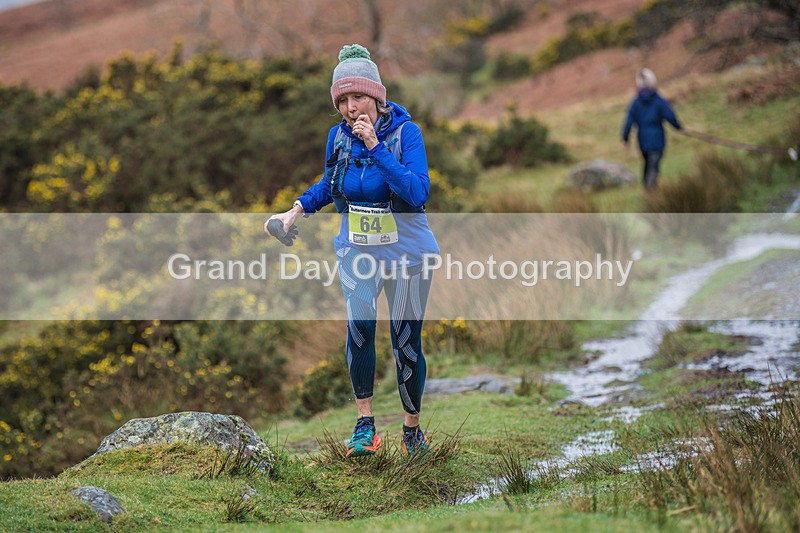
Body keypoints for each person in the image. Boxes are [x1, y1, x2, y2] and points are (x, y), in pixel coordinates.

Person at [266, 44, 439, 457]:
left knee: (405, 340)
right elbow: (330, 183)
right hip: (356, 251)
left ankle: (412, 432)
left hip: (408, 254)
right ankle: (365, 428)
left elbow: (417, 191)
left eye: (356, 97)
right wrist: (294, 212)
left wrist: (376, 147)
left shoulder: (404, 134)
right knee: (359, 331)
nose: (348, 107)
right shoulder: (337, 138)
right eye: (341, 100)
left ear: (377, 96)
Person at [621, 68, 683, 189]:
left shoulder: (636, 102)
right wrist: (678, 127)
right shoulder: (658, 100)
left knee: (647, 163)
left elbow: (628, 121)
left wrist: (625, 137)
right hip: (657, 139)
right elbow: (670, 115)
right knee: (653, 165)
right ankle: (651, 189)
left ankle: (647, 187)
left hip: (642, 140)